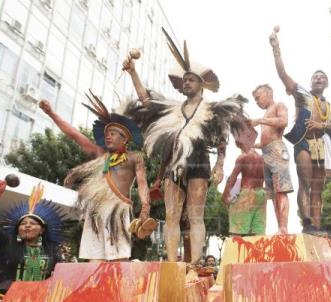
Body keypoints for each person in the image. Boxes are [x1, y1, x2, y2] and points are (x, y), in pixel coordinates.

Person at [124, 30, 245, 263]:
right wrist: (133, 73)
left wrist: (220, 165)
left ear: (202, 84)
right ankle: (171, 264)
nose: (186, 82)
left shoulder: (211, 110)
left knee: (196, 215)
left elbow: (222, 138)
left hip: (199, 161)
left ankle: (195, 263)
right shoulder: (172, 109)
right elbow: (146, 101)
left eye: (191, 79)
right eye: (185, 80)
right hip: (173, 164)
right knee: (171, 215)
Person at [40, 94, 151, 261]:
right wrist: (51, 113)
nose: (108, 136)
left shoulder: (135, 157)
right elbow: (74, 135)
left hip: (118, 208)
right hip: (96, 208)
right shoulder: (101, 154)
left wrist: (145, 206)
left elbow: (142, 183)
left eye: (113, 133)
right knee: (94, 257)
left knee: (118, 256)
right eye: (107, 133)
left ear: (125, 138)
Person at [269, 28, 331, 233]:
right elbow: (282, 74)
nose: (318, 79)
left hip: (321, 145)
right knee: (304, 181)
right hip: (303, 142)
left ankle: (317, 225)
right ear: (311, 81)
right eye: (315, 76)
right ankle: (306, 223)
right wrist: (276, 49)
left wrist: (323, 125)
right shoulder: (302, 94)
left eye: (322, 77)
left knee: (318, 188)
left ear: (327, 83)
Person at [251, 84, 292, 234]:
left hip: (277, 149)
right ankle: (280, 227)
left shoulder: (279, 106)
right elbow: (263, 142)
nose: (257, 101)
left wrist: (261, 121)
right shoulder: (266, 115)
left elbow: (283, 121)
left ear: (269, 93)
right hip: (266, 151)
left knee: (281, 190)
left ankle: (283, 227)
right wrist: (249, 145)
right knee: (273, 193)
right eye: (255, 99)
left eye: (258, 97)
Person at [222, 119, 266, 236]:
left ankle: (237, 254)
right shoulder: (262, 158)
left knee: (237, 234)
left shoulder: (243, 157)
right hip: (261, 194)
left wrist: (225, 196)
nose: (235, 141)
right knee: (258, 234)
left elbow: (232, 179)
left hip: (247, 194)